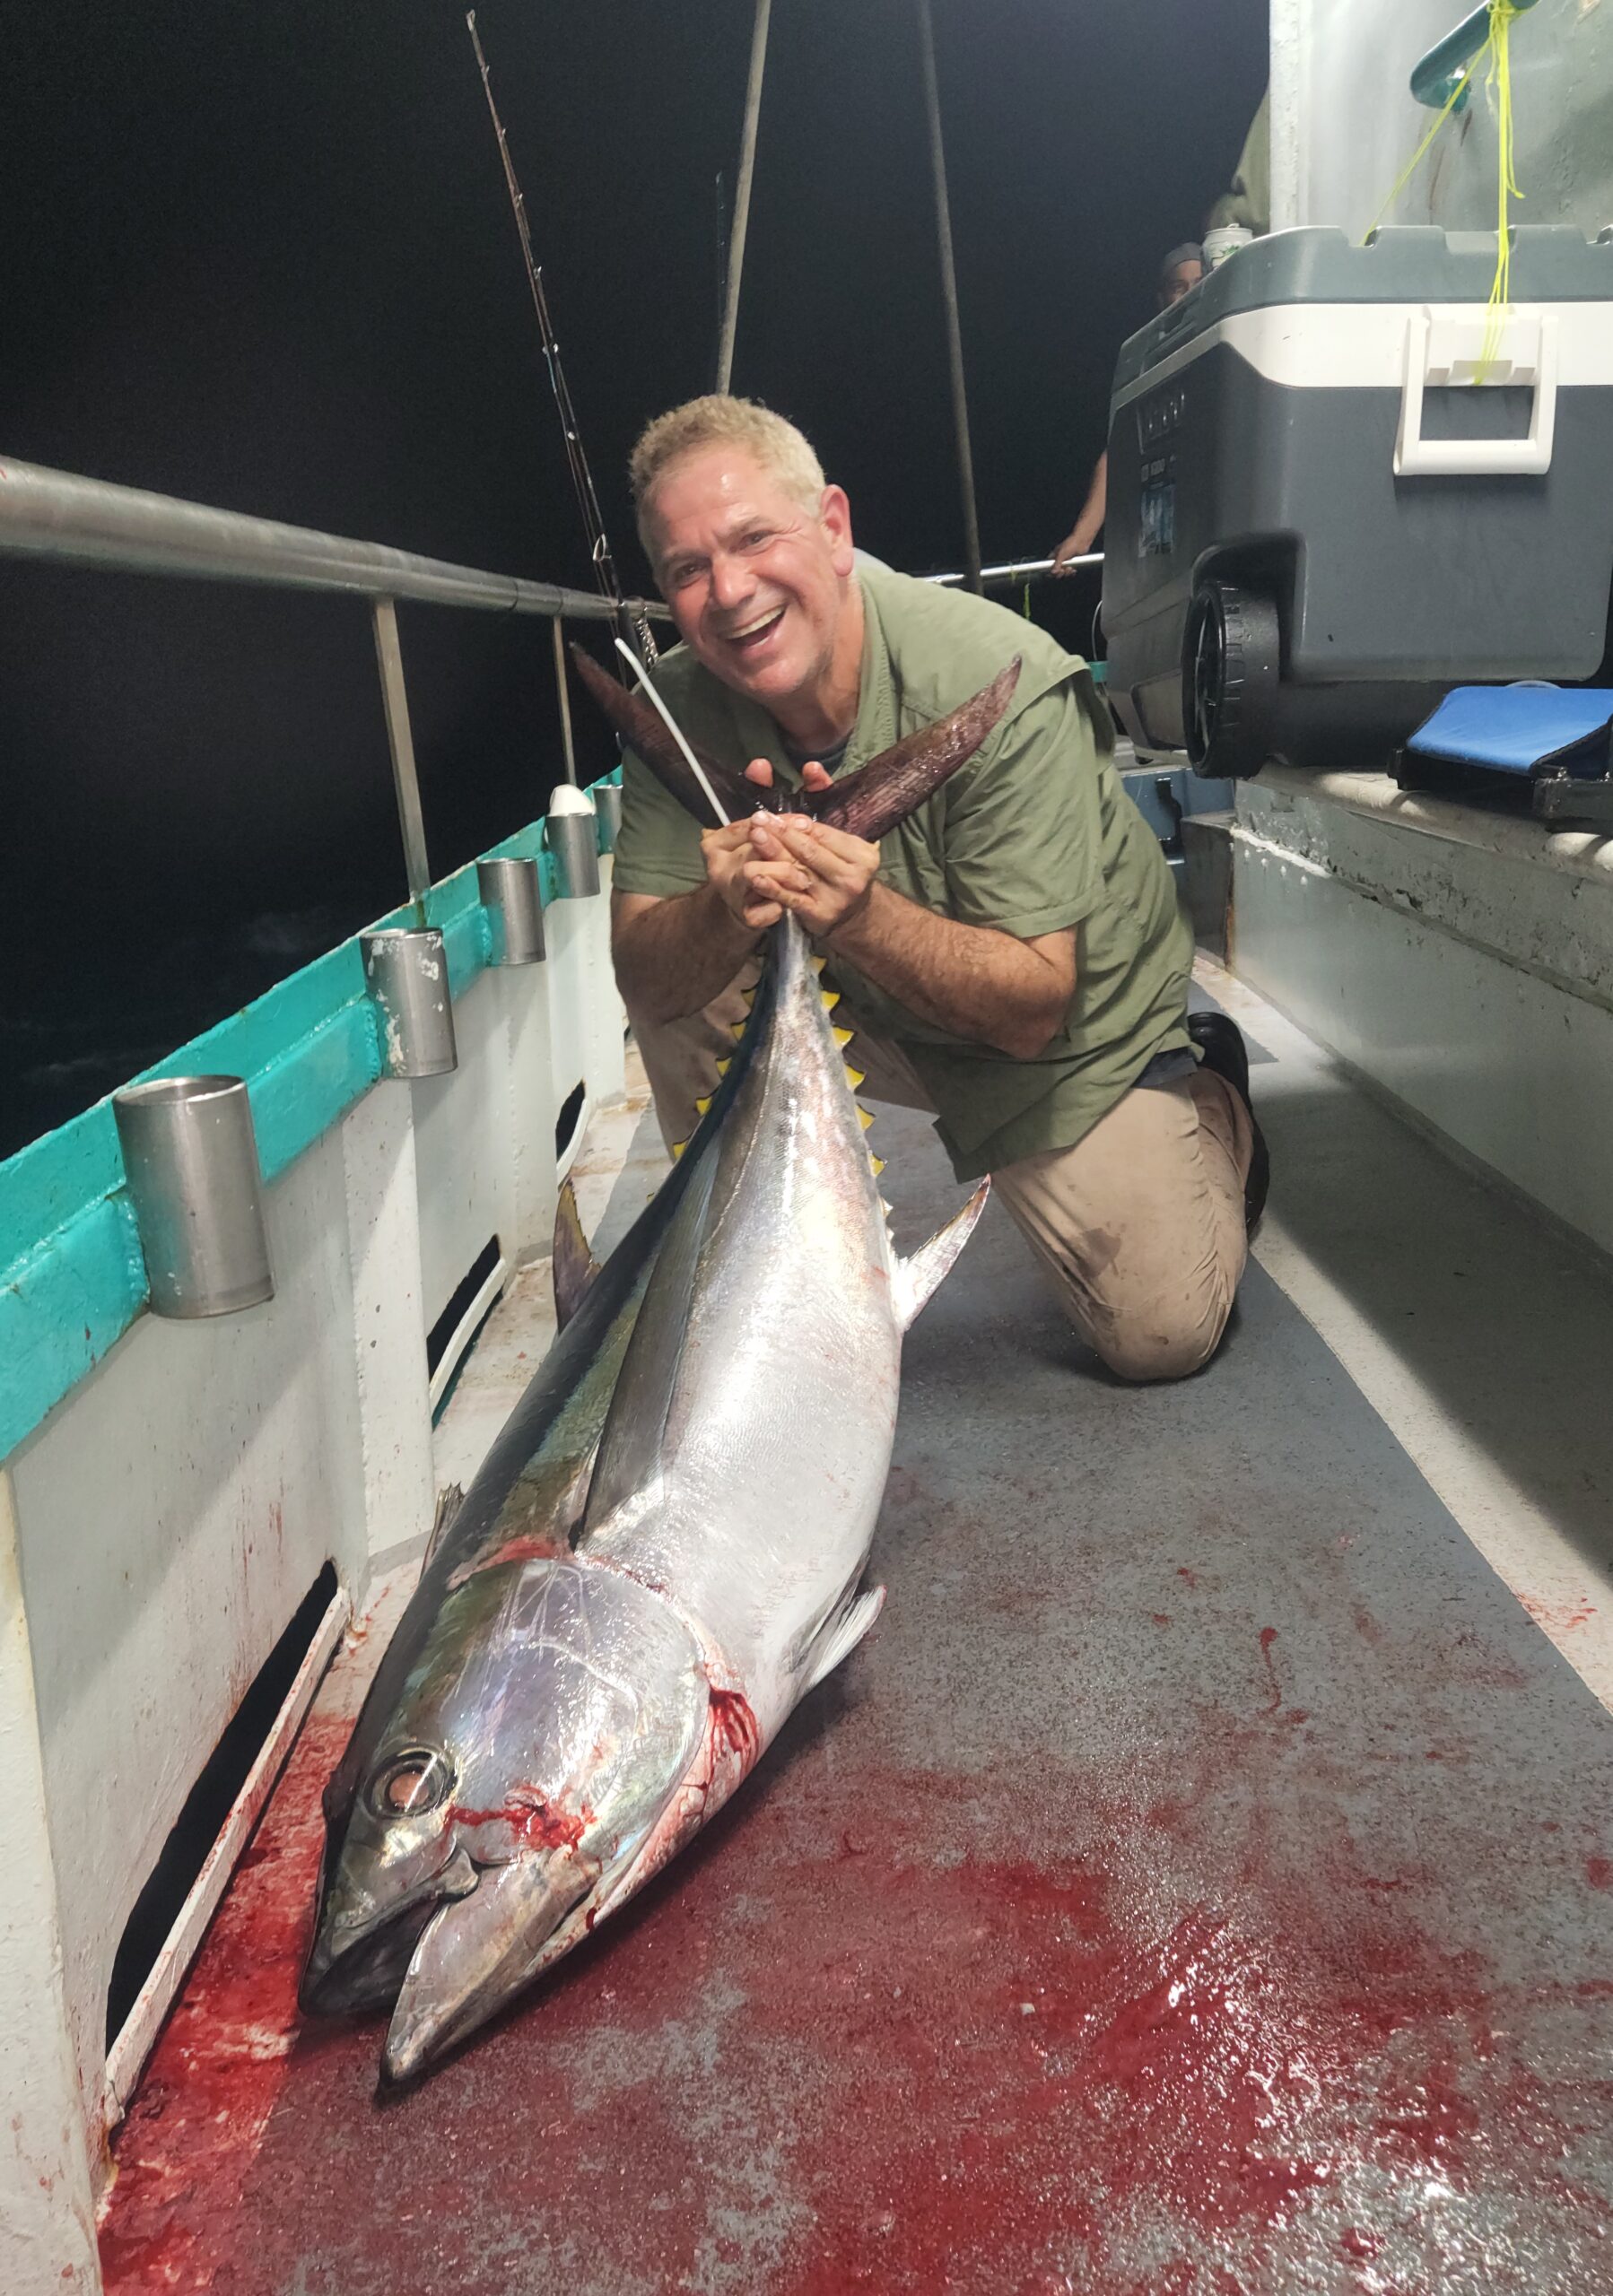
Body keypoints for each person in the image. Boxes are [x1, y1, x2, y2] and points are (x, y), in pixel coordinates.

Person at [609, 394, 1267, 1383]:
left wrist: (857, 913)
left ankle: (1208, 1101)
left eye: (752, 539)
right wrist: (720, 910)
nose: (729, 590)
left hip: (1066, 1025)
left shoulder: (998, 679)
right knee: (685, 971)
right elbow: (647, 982)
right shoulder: (674, 707)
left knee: (1159, 1333)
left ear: (833, 529)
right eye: (686, 569)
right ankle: (768, 1266)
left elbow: (1032, 1011)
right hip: (877, 1009)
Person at [1051, 243, 1205, 575]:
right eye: (1180, 287)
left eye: (1200, 283)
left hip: (1208, 535)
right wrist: (1082, 535)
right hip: (1161, 543)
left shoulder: (1222, 346)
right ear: (1162, 297)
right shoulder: (1147, 362)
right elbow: (1117, 455)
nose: (1191, 294)